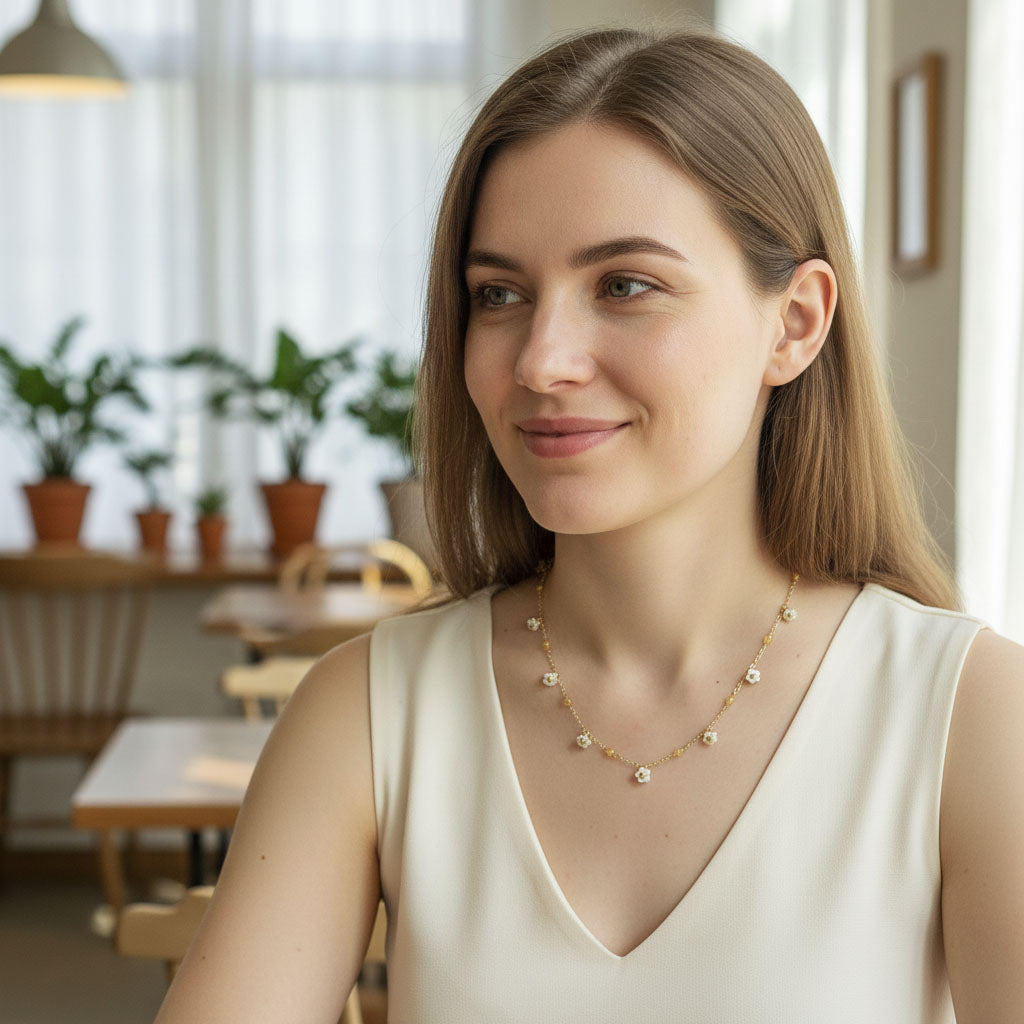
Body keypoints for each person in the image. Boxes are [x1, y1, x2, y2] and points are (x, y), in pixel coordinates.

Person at [155, 28, 1024, 1023]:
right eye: (499, 295)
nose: (540, 360)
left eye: (625, 285)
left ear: (793, 323)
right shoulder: (365, 714)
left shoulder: (975, 717)